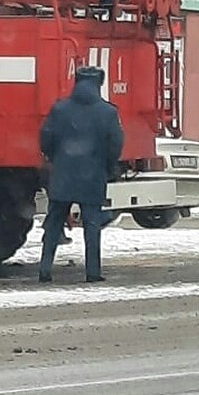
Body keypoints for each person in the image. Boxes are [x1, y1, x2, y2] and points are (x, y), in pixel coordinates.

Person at [38, 66, 124, 283]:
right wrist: (108, 166)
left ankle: (45, 270)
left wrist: (54, 157)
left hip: (63, 172)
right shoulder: (108, 112)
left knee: (54, 221)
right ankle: (92, 272)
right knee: (92, 224)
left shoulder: (59, 109)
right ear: (98, 84)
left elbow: (46, 137)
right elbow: (115, 144)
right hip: (92, 174)